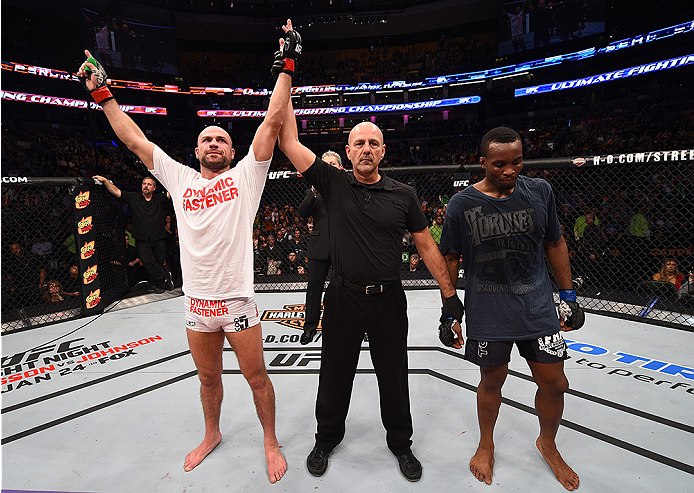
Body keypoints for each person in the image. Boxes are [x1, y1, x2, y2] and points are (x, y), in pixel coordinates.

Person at [76, 19, 301, 482]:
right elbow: (134, 139)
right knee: (207, 379)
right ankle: (212, 433)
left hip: (237, 300)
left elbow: (274, 121)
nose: (214, 143)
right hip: (197, 302)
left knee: (257, 379)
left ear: (232, 149)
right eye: (207, 139)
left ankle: (270, 439)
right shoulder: (178, 179)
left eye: (221, 139)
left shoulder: (246, 178)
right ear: (195, 149)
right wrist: (103, 95)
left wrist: (287, 66)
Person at [278, 100, 464, 481]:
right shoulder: (332, 183)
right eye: (358, 143)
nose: (366, 149)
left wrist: (449, 296)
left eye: (373, 143)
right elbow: (289, 142)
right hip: (344, 296)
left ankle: (401, 444)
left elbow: (428, 246)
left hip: (389, 299)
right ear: (347, 152)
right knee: (333, 373)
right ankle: (326, 439)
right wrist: (287, 78)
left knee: (394, 375)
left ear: (383, 151)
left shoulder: (403, 194)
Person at [440, 126, 582, 491]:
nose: (509, 171)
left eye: (517, 162)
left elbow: (554, 242)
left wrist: (568, 296)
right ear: (482, 162)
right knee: (492, 381)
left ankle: (547, 443)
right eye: (500, 164)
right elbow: (451, 257)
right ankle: (486, 443)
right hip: (488, 310)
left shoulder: (540, 192)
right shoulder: (461, 205)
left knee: (555, 383)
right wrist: (449, 310)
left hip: (536, 305)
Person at [94, 174, 174, 294]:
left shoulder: (159, 198)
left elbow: (172, 192)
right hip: (142, 238)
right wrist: (105, 181)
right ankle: (165, 276)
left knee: (158, 263)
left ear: (154, 188)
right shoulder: (134, 197)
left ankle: (158, 285)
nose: (146, 186)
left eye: (149, 184)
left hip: (158, 237)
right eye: (144, 184)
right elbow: (116, 192)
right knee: (148, 262)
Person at [297, 150, 343, 345]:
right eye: (325, 164)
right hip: (319, 247)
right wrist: (314, 190)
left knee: (347, 290)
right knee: (314, 290)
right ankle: (309, 328)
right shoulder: (315, 191)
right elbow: (302, 213)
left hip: (343, 247)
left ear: (340, 168)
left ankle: (352, 326)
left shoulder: (348, 187)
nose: (328, 167)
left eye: (332, 164)